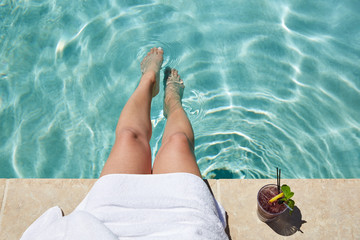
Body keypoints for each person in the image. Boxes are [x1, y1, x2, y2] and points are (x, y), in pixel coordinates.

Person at [21, 47, 229, 240]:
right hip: (182, 225)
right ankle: (172, 103)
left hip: (109, 220)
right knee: (178, 141)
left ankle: (148, 81)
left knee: (128, 137)